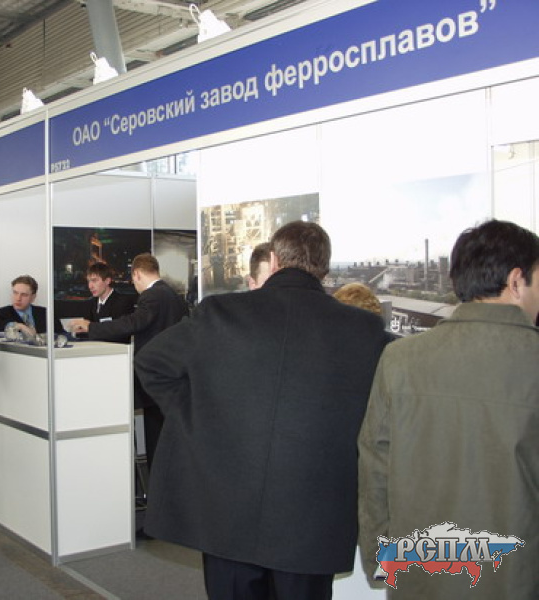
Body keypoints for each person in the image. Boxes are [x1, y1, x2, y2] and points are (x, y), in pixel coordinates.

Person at [134, 222, 390, 600]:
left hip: (227, 513)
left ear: (273, 259)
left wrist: (198, 417)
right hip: (312, 518)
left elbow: (151, 362)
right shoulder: (365, 330)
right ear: (324, 268)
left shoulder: (220, 313)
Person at [358, 219, 539, 600]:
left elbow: (375, 468)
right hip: (516, 578)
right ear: (516, 281)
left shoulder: (400, 359)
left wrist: (381, 561)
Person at [70, 253, 188, 470]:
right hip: (173, 374)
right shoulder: (174, 295)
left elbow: (134, 323)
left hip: (155, 377)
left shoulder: (152, 295)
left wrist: (91, 327)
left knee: (155, 436)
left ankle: (155, 481)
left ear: (137, 274)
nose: (134, 285)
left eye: (133, 279)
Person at [0, 275, 64, 336]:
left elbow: (61, 334)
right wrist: (17, 325)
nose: (18, 298)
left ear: (33, 297)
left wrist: (71, 332)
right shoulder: (3, 312)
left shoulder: (45, 313)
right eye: (15, 293)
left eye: (24, 295)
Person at [81, 262, 135, 341]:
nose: (90, 286)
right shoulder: (90, 303)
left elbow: (121, 334)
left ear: (107, 281)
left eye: (94, 281)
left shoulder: (123, 302)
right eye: (89, 281)